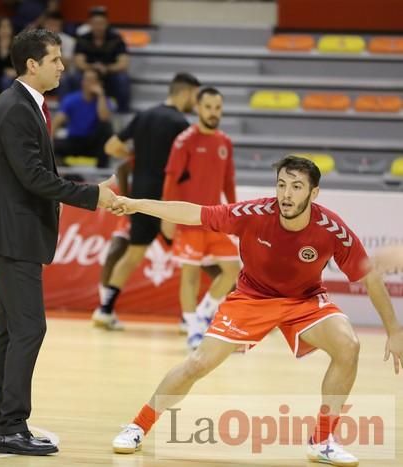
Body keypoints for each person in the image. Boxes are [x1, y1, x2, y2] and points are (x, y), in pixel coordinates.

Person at [108, 155, 403, 466]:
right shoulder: (254, 213)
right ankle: (138, 426)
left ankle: (323, 441)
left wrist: (394, 330)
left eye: (297, 187)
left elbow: (369, 277)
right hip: (252, 298)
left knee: (348, 346)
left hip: (304, 301)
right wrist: (136, 204)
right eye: (282, 185)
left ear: (313, 193)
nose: (286, 194)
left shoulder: (331, 229)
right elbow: (195, 213)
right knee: (198, 363)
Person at [0, 28, 116, 456]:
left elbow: (31, 174)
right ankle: (11, 426)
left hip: (14, 233)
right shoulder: (15, 108)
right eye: (55, 59)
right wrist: (95, 196)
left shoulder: (24, 105)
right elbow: (33, 177)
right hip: (13, 234)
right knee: (28, 329)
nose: (63, 66)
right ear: (33, 64)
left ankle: (1, 426)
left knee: (12, 331)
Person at [92, 72, 201, 330]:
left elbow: (110, 147)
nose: (195, 103)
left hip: (139, 196)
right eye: (195, 97)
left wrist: (134, 153)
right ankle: (190, 319)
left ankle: (104, 310)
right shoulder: (181, 124)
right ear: (185, 93)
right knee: (194, 258)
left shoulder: (143, 116)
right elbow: (187, 168)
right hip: (168, 199)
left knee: (133, 254)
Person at [163, 87, 240, 349]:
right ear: (198, 108)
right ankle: (193, 329)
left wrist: (235, 213)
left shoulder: (224, 142)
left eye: (218, 108)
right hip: (188, 219)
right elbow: (171, 179)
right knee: (190, 276)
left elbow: (228, 182)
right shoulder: (185, 141)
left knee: (232, 269)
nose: (213, 113)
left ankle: (205, 312)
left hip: (215, 219)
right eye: (208, 108)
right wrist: (167, 217)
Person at [63, 7, 131, 112]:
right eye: (95, 23)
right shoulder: (83, 39)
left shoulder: (116, 39)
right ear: (90, 24)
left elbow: (123, 63)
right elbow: (79, 62)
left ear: (106, 23)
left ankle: (123, 112)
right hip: (88, 73)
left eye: (101, 23)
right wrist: (92, 68)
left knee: (122, 79)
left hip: (109, 73)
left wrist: (107, 68)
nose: (98, 26)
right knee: (72, 78)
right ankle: (70, 110)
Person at [51, 68, 113, 168]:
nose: (87, 83)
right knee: (52, 147)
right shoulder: (71, 100)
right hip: (74, 140)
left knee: (107, 128)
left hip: (93, 142)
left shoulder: (104, 101)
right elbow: (57, 122)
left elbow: (104, 118)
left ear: (99, 83)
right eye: (85, 79)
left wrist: (101, 95)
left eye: (91, 80)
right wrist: (49, 140)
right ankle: (67, 173)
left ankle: (101, 172)